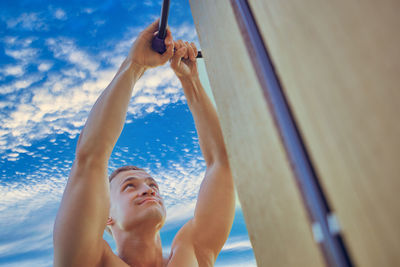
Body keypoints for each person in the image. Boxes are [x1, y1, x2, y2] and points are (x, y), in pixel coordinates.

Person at [53, 19, 235, 267]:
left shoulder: (192, 252)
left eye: (153, 185)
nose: (149, 190)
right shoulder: (90, 260)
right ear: (105, 216)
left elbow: (221, 163)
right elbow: (91, 156)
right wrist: (134, 65)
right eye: (129, 186)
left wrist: (190, 81)